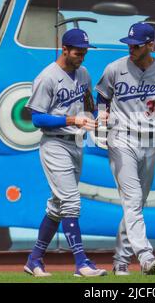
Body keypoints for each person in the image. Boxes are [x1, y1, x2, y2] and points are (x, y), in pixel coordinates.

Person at [95, 22, 155, 275]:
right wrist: (102, 115)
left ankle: (121, 261)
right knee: (132, 200)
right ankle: (145, 256)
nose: (131, 47)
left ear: (150, 45)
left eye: (136, 44)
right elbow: (102, 96)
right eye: (129, 43)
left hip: (149, 142)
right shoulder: (115, 69)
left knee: (136, 205)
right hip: (121, 139)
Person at [24, 28, 106, 278]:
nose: (82, 57)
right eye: (78, 52)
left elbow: (88, 104)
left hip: (75, 144)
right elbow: (37, 118)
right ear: (65, 49)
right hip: (54, 144)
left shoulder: (83, 73)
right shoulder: (47, 77)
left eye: (84, 52)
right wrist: (73, 120)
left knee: (57, 207)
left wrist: (97, 115)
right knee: (71, 202)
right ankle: (82, 263)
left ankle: (34, 259)